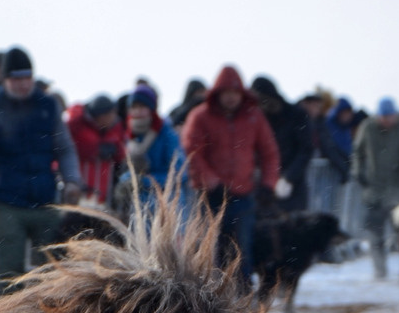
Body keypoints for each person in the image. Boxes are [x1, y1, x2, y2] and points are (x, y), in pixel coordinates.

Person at [0, 46, 82, 284]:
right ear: (5, 79)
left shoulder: (47, 105)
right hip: (6, 201)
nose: (23, 84)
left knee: (52, 271)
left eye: (27, 78)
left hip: (45, 200)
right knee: (9, 274)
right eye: (16, 79)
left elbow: (65, 148)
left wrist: (72, 180)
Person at [180, 64, 279, 278]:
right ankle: (207, 299)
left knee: (241, 251)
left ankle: (242, 299)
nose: (231, 98)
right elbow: (191, 152)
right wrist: (212, 182)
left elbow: (270, 153)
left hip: (242, 196)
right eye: (227, 92)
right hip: (209, 197)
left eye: (235, 92)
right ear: (218, 93)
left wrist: (268, 185)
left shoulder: (254, 117)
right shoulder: (200, 116)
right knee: (209, 251)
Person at [351, 98, 399, 278]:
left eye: (390, 117)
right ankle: (379, 270)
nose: (387, 121)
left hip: (397, 189)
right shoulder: (368, 127)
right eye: (383, 117)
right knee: (374, 232)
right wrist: (358, 172)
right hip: (374, 189)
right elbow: (358, 152)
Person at [114, 84, 184, 215]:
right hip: (139, 210)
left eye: (142, 107)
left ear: (151, 109)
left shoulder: (167, 135)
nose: (138, 112)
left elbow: (180, 174)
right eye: (134, 107)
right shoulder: (130, 137)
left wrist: (144, 181)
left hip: (168, 207)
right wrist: (125, 181)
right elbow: (130, 171)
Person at [249, 76, 313, 210]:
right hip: (264, 186)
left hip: (292, 184)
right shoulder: (259, 118)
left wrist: (289, 177)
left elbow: (305, 149)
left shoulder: (297, 115)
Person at [66, 93, 125, 206]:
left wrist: (116, 150)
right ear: (102, 115)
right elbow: (68, 149)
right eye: (111, 114)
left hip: (104, 198)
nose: (114, 118)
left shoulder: (115, 129)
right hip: (79, 196)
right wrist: (96, 149)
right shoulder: (77, 126)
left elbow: (122, 155)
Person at [298, 94, 349, 181]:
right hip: (300, 171)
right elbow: (328, 147)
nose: (317, 110)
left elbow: (330, 146)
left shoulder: (320, 123)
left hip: (311, 172)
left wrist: (346, 164)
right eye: (315, 106)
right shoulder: (296, 120)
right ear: (305, 104)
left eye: (319, 107)